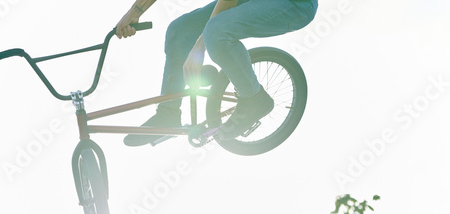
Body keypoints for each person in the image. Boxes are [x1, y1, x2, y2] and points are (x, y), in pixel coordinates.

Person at [116, 0, 318, 146]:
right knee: (179, 30)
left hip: (295, 4)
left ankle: (254, 98)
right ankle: (168, 113)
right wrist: (134, 12)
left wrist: (198, 48)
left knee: (216, 31)